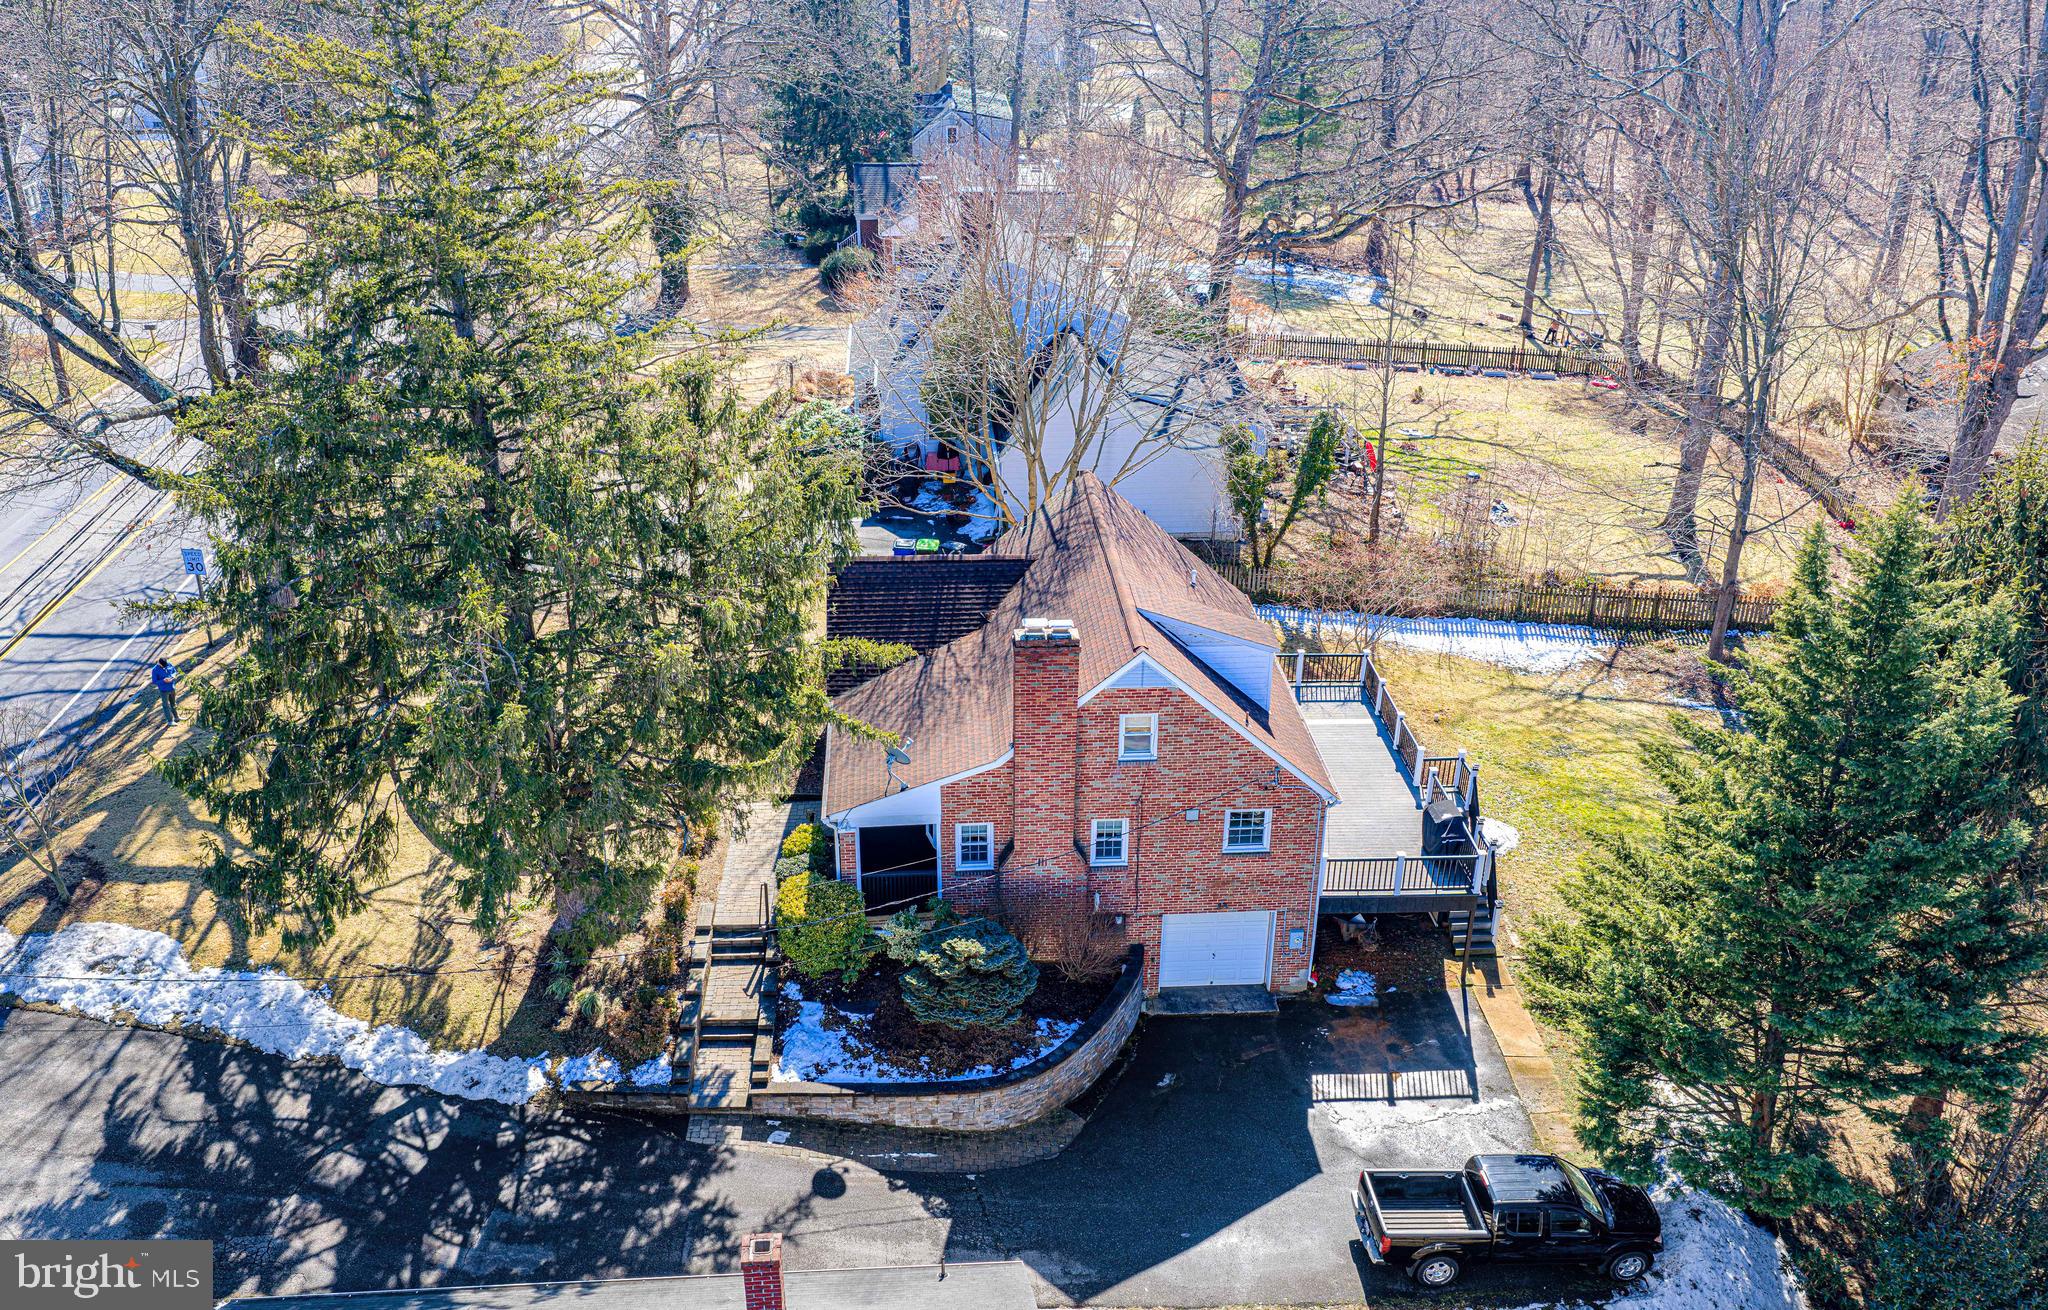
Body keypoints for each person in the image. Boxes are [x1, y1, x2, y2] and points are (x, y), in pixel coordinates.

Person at [151, 658, 178, 724]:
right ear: (159, 663)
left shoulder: (168, 664)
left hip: (172, 687)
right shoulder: (154, 670)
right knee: (166, 705)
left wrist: (173, 676)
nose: (165, 667)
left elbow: (174, 671)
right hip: (164, 690)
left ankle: (176, 717)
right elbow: (154, 681)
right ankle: (170, 721)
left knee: (173, 703)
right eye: (163, 666)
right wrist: (163, 681)